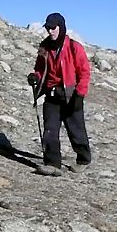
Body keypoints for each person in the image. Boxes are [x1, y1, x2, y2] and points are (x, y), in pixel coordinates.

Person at [27, 12, 92, 173]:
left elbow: (84, 73)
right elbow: (40, 69)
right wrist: (35, 77)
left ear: (61, 27)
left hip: (71, 95)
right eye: (48, 28)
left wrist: (79, 94)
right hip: (51, 94)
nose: (50, 31)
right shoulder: (44, 47)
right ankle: (52, 164)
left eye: (53, 28)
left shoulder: (74, 47)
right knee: (50, 129)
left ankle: (83, 160)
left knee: (76, 130)